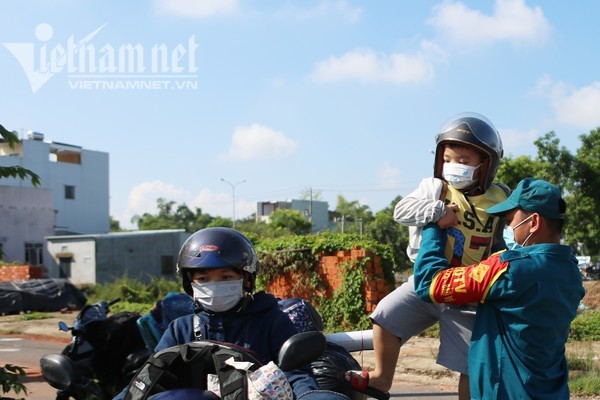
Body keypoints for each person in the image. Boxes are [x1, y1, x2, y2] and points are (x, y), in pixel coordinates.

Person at [345, 113, 508, 400]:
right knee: (385, 315)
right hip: (426, 283)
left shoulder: (500, 197)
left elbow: (508, 236)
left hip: (467, 290)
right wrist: (436, 211)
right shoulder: (434, 188)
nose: (453, 166)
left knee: (472, 363)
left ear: (487, 165)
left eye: (464, 161)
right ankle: (382, 379)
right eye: (447, 159)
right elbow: (401, 211)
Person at [115, 227, 348, 400]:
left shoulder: (270, 320)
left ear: (246, 279)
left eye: (225, 277)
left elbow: (296, 374)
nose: (214, 285)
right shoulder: (181, 328)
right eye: (203, 279)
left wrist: (309, 396)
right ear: (190, 284)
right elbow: (150, 376)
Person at [413, 177, 585, 399]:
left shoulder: (509, 269)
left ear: (533, 222)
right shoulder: (570, 270)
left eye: (509, 220)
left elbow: (429, 284)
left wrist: (434, 225)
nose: (508, 227)